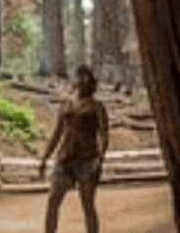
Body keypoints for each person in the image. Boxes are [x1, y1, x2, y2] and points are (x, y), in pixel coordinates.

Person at [39, 65, 108, 233]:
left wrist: (100, 159)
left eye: (85, 78)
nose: (82, 81)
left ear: (91, 82)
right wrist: (45, 157)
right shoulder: (66, 104)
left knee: (88, 205)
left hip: (87, 160)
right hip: (64, 159)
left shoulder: (97, 106)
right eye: (79, 77)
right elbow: (57, 134)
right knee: (53, 200)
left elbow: (104, 134)